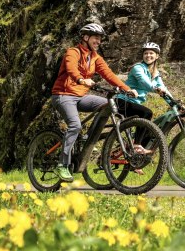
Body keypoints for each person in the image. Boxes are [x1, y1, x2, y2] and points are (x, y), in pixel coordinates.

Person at [51, 23, 136, 182]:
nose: (98, 41)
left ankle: (88, 137)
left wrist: (126, 89)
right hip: (63, 95)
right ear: (85, 37)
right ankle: (62, 165)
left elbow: (109, 75)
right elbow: (71, 69)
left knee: (108, 105)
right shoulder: (73, 52)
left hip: (81, 96)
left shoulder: (96, 57)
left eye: (100, 39)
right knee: (75, 125)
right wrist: (81, 79)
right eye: (95, 38)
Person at [116, 42, 171, 147]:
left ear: (157, 56)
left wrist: (174, 103)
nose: (148, 55)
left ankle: (138, 153)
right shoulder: (138, 68)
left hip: (133, 104)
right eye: (146, 53)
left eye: (151, 53)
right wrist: (156, 89)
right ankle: (137, 145)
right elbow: (145, 82)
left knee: (149, 130)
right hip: (122, 101)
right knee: (147, 113)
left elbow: (164, 89)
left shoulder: (155, 73)